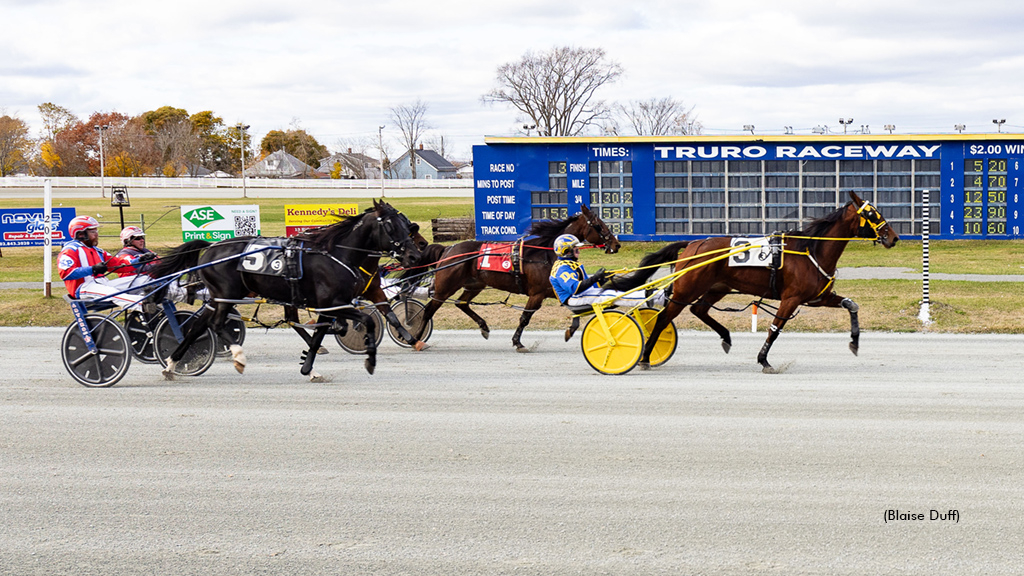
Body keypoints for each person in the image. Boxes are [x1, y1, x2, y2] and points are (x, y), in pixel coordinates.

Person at [58, 216, 154, 310]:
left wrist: (140, 260)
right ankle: (144, 306)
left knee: (143, 279)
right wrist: (93, 269)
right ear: (80, 234)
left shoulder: (98, 251)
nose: (96, 234)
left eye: (96, 231)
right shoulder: (70, 250)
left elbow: (120, 265)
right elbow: (65, 273)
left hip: (103, 284)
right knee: (113, 292)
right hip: (84, 288)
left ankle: (158, 299)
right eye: (92, 231)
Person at [549, 234, 648, 307]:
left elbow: (589, 285)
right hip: (573, 299)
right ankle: (646, 298)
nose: (579, 251)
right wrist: (595, 278)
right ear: (567, 252)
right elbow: (574, 289)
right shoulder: (562, 268)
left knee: (615, 285)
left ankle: (648, 292)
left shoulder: (569, 264)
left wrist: (602, 279)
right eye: (576, 249)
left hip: (581, 294)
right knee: (611, 296)